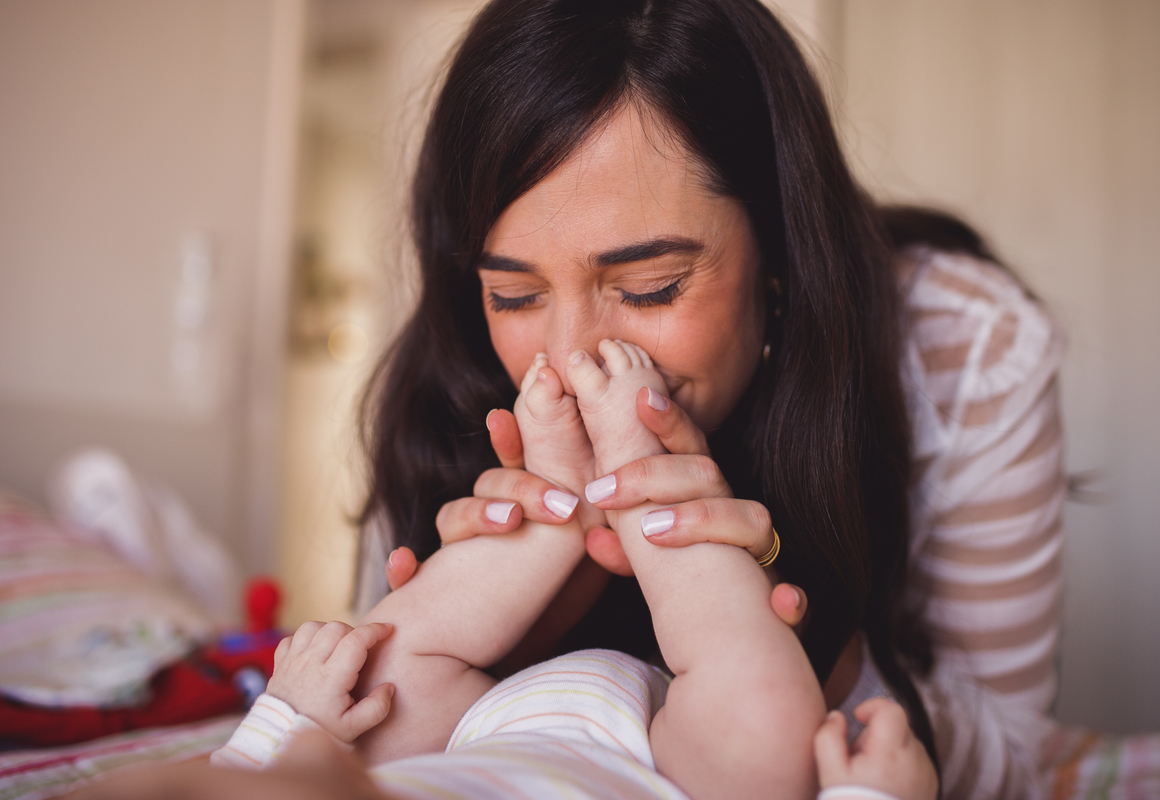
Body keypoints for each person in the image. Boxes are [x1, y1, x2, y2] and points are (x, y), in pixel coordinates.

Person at [357, 1, 1066, 798]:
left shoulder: (962, 349)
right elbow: (354, 736)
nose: (572, 358)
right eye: (514, 295)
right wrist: (501, 640)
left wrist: (794, 644)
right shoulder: (445, 376)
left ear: (780, 251)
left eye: (650, 287)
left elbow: (1016, 766)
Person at [69, 344, 938, 800]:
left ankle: (559, 503)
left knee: (376, 677)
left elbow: (233, 774)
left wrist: (284, 716)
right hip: (671, 772)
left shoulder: (322, 767)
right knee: (766, 742)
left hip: (473, 734)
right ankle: (642, 481)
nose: (293, 757)